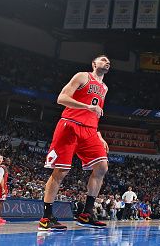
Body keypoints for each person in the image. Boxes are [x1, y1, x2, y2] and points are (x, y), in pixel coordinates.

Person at [40, 55, 111, 231]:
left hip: (90, 130)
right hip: (70, 125)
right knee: (61, 171)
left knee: (102, 167)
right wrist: (86, 107)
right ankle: (46, 218)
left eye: (108, 61)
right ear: (94, 64)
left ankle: (86, 214)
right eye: (103, 60)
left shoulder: (105, 87)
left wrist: (99, 135)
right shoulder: (82, 76)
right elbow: (61, 98)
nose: (107, 62)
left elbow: (96, 113)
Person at [0, 158, 9, 223]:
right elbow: (1, 177)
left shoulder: (2, 167)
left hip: (0, 185)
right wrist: (3, 188)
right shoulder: (3, 167)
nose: (9, 161)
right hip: (1, 186)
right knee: (0, 202)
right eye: (8, 160)